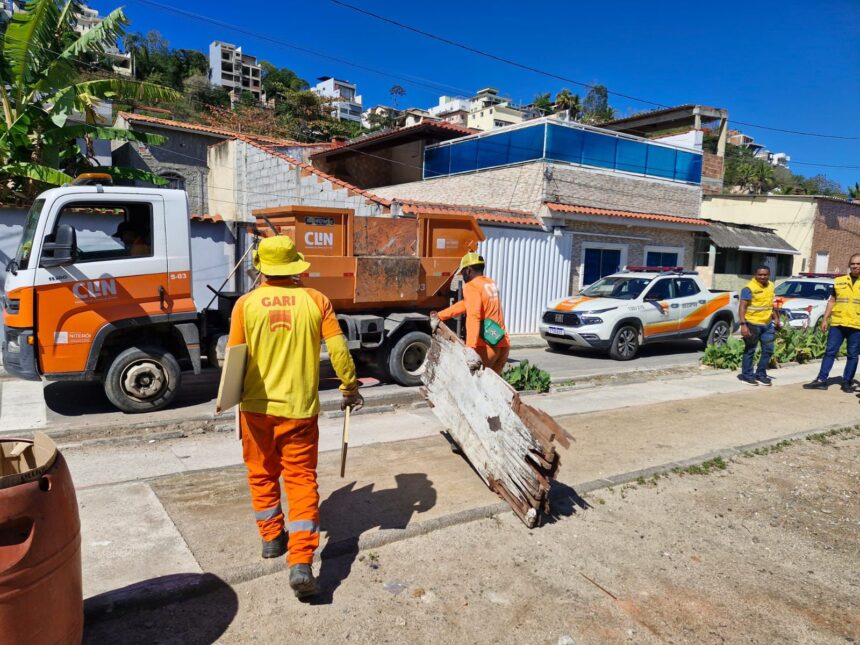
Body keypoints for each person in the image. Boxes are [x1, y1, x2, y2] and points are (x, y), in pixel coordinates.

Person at [227, 235, 363, 600]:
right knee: (301, 480)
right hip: (300, 411)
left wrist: (231, 401)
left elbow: (234, 357)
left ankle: (272, 538)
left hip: (256, 409)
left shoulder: (245, 304)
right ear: (294, 267)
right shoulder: (316, 300)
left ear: (262, 268)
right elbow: (338, 349)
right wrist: (350, 387)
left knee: (261, 473)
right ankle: (300, 562)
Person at [431, 252, 510, 374]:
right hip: (502, 344)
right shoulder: (489, 283)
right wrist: (440, 315)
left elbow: (474, 317)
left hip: (485, 346)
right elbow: (466, 304)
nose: (463, 277)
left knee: (468, 381)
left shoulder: (471, 286)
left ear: (468, 270)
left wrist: (470, 349)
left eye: (463, 273)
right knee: (489, 385)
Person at [803, 254, 860, 392]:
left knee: (852, 355)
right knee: (830, 352)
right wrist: (825, 319)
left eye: (858, 264)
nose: (855, 266)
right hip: (838, 323)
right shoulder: (839, 281)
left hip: (857, 325)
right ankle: (821, 380)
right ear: (849, 265)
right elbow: (832, 301)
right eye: (853, 263)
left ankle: (847, 382)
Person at [738, 265, 781, 386]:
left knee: (768, 350)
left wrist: (776, 318)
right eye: (760, 274)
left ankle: (761, 374)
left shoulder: (771, 285)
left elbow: (770, 305)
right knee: (750, 350)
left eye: (765, 275)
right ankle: (747, 376)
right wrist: (743, 325)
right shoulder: (749, 288)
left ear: (769, 275)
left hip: (767, 324)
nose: (762, 277)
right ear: (755, 275)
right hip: (752, 324)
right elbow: (742, 307)